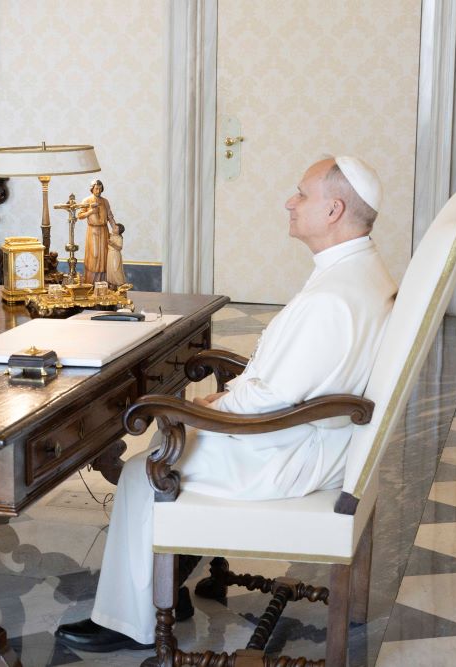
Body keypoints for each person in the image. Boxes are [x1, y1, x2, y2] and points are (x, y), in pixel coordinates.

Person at [56, 156, 398, 652]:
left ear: (334, 210)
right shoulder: (358, 270)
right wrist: (225, 401)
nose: (290, 201)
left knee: (145, 470)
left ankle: (128, 622)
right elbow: (286, 382)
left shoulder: (333, 297)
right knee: (175, 440)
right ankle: (167, 586)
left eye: (301, 193)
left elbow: (273, 399)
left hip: (288, 453)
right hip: (314, 437)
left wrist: (210, 408)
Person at [78, 179, 114, 285]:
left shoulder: (105, 201)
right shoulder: (86, 200)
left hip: (104, 230)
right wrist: (90, 211)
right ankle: (91, 282)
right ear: (92, 189)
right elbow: (80, 215)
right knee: (94, 255)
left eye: (100, 188)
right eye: (96, 188)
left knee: (104, 255)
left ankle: (103, 282)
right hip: (93, 230)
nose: (98, 191)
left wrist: (115, 229)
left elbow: (110, 216)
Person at [106, 222, 126, 288]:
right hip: (110, 254)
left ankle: (121, 285)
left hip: (115, 254)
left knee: (116, 269)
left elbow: (119, 248)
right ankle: (112, 285)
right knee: (110, 270)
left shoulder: (119, 238)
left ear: (119, 231)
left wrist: (112, 244)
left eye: (116, 228)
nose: (114, 228)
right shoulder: (111, 235)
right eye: (114, 227)